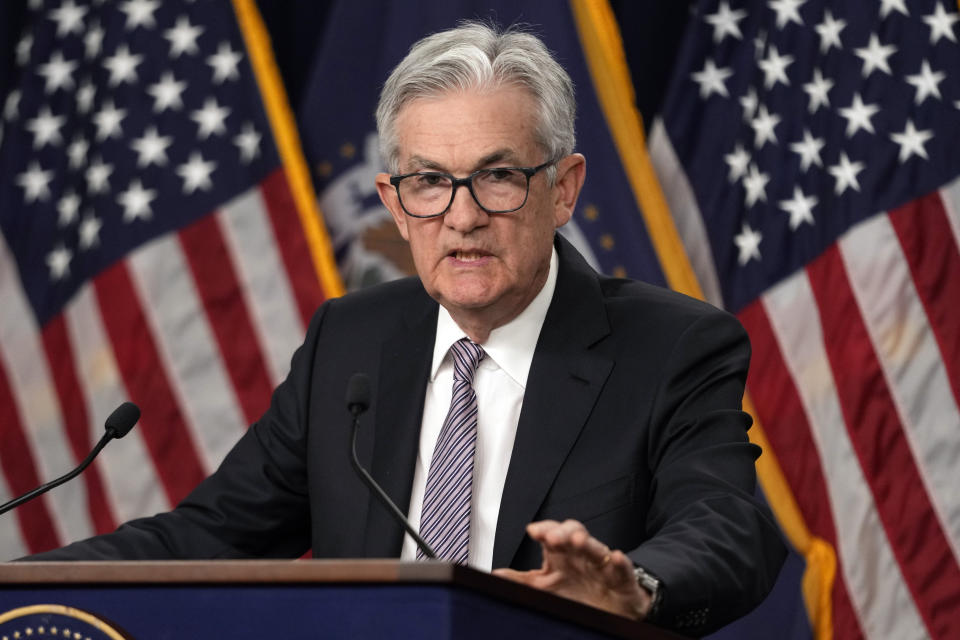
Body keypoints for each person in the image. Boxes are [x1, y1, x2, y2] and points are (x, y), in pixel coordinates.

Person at [26, 22, 785, 635]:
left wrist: (634, 590)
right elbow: (206, 537)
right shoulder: (349, 344)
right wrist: (24, 584)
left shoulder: (672, 347)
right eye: (429, 182)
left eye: (498, 176)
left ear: (563, 190)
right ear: (393, 202)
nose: (461, 216)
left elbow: (728, 527)